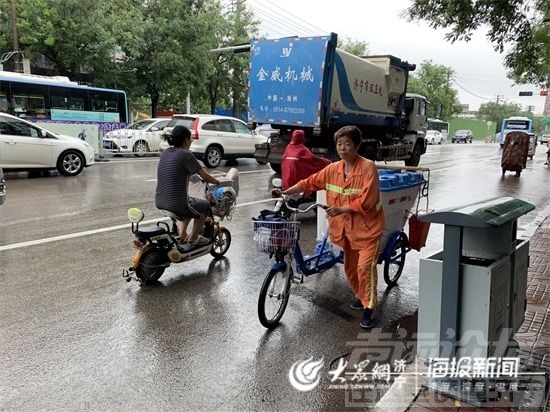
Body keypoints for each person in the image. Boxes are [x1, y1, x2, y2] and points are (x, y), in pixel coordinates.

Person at [274, 125, 385, 329]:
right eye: (339, 144)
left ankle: (369, 307)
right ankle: (361, 296)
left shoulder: (368, 167)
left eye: (347, 144)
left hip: (368, 229)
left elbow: (367, 201)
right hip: (346, 230)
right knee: (351, 269)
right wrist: (286, 192)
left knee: (364, 268)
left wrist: (342, 209)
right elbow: (309, 182)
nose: (343, 148)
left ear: (357, 145)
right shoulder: (333, 169)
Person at [155, 125, 220, 245]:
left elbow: (178, 171)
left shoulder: (166, 152)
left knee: (192, 204)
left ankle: (183, 234)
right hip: (176, 203)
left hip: (160, 201)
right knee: (204, 206)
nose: (191, 141)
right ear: (185, 140)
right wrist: (217, 182)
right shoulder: (186, 155)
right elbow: (205, 176)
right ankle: (194, 237)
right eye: (190, 139)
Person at [281, 129, 331, 194]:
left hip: (286, 182)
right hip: (297, 184)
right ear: (302, 138)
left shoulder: (288, 147)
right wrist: (327, 162)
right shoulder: (302, 149)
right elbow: (313, 160)